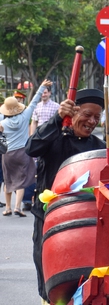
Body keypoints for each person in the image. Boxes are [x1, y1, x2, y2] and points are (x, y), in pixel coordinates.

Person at [25, 88, 106, 305]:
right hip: (49, 218)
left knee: (83, 278)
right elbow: (31, 148)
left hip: (85, 224)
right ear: (73, 111)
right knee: (50, 278)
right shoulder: (54, 137)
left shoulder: (98, 148)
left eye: (96, 118)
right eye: (87, 114)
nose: (91, 121)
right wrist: (57, 119)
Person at [0, 80, 51, 217]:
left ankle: (8, 208)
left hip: (8, 154)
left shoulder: (2, 123)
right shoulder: (25, 116)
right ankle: (18, 207)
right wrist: (42, 87)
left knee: (8, 180)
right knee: (21, 181)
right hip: (23, 152)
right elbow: (34, 101)